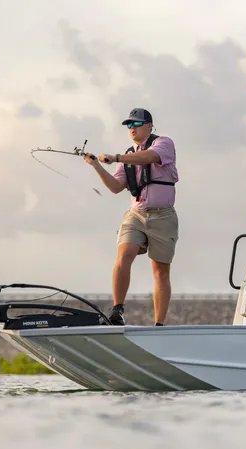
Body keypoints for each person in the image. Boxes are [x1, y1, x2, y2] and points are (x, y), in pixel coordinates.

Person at [82, 108, 179, 326]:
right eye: (128, 125)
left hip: (163, 216)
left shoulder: (163, 143)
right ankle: (118, 310)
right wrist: (97, 165)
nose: (131, 128)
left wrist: (115, 157)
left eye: (135, 124)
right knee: (124, 254)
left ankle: (159, 324)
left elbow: (149, 157)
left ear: (149, 126)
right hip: (135, 214)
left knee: (160, 271)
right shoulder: (126, 157)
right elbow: (116, 187)